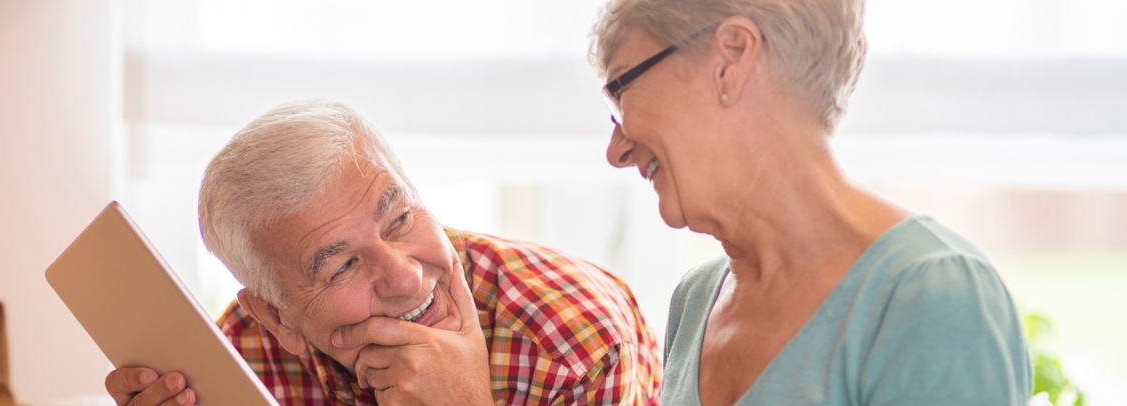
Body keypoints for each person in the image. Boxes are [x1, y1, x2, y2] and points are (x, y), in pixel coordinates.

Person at [588, 0, 1031, 404]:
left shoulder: (930, 295)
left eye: (622, 88)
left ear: (732, 58)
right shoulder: (695, 300)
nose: (616, 150)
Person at [104, 100, 662, 405]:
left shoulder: (575, 348)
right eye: (342, 263)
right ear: (278, 318)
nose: (406, 276)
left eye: (399, 220)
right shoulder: (244, 355)